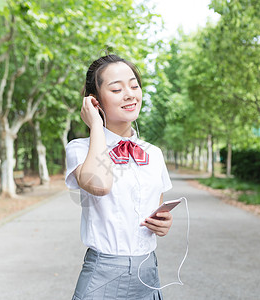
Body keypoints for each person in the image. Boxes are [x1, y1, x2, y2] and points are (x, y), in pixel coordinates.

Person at [65, 54, 173, 300]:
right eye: (116, 89)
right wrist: (95, 126)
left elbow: (156, 210)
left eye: (134, 86)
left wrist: (163, 223)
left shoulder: (153, 154)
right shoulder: (80, 148)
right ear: (95, 101)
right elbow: (100, 185)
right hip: (103, 275)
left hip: (149, 274)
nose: (130, 94)